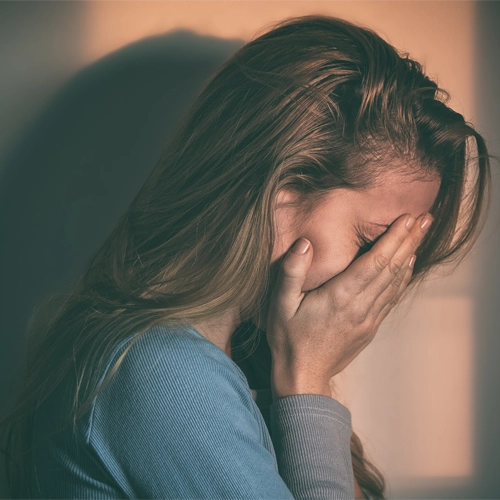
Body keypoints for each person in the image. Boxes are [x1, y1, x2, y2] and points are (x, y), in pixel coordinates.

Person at [0, 14, 491, 500]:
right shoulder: (160, 372)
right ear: (281, 192)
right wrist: (309, 379)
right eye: (372, 242)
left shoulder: (230, 360)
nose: (385, 278)